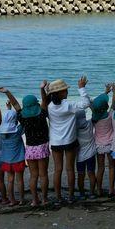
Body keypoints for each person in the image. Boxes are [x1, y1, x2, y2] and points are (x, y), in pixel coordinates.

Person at [0, 84, 50, 206]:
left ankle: (34, 200)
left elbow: (16, 105)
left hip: (30, 149)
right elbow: (44, 101)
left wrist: (7, 92)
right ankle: (44, 199)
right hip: (42, 147)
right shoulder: (41, 114)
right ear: (35, 104)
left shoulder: (22, 116)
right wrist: (41, 88)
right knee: (43, 174)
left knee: (33, 176)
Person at [44, 76, 91, 204]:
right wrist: (82, 88)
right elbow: (86, 103)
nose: (67, 91)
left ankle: (58, 197)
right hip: (70, 141)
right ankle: (70, 195)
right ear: (59, 93)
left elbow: (45, 101)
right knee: (70, 169)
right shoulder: (68, 106)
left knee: (57, 169)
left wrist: (44, 89)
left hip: (55, 142)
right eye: (65, 90)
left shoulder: (49, 106)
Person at [0, 104, 26, 206]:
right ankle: (22, 200)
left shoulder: (1, 132)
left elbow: (8, 121)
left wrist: (8, 110)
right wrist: (14, 111)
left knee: (10, 180)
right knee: (20, 180)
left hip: (6, 160)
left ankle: (12, 200)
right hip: (18, 159)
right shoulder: (17, 131)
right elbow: (23, 121)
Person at [91, 86, 115, 197]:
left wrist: (105, 92)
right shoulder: (110, 115)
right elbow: (114, 104)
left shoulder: (94, 118)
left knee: (100, 168)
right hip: (110, 144)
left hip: (99, 145)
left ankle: (99, 189)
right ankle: (111, 189)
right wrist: (114, 93)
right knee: (111, 167)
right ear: (106, 107)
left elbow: (95, 105)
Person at [75, 109, 97, 199]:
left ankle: (81, 194)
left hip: (80, 156)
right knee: (91, 173)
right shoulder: (90, 123)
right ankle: (92, 193)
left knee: (81, 175)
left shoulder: (74, 127)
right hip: (91, 153)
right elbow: (96, 113)